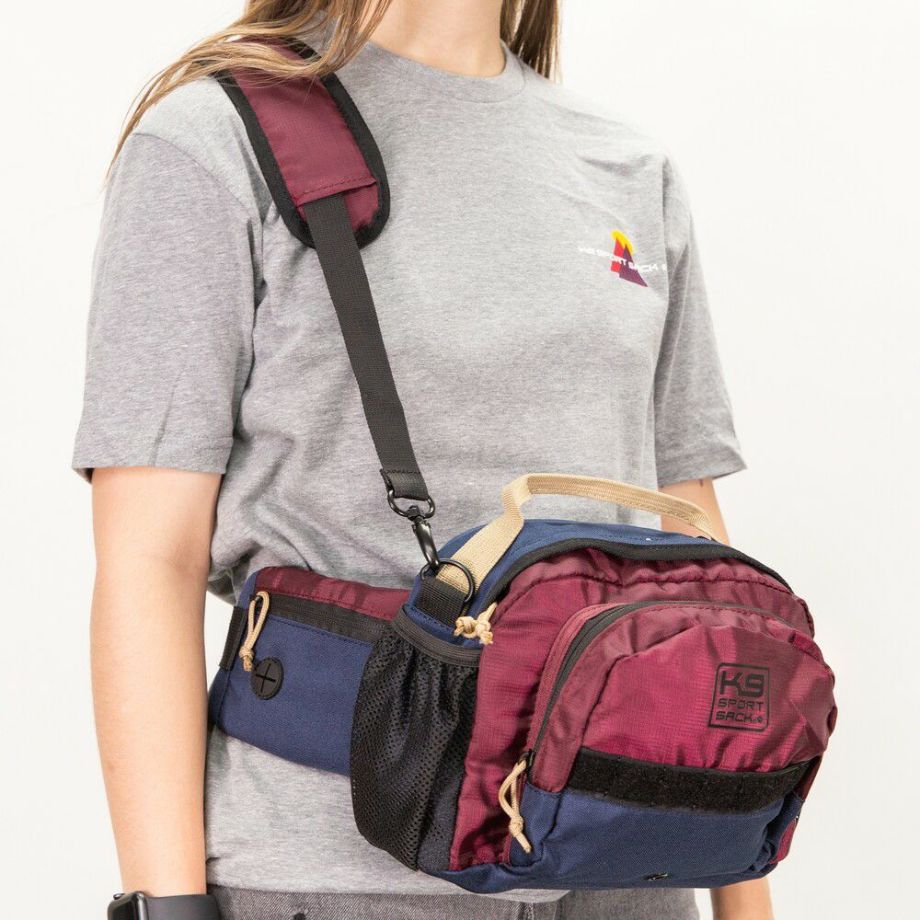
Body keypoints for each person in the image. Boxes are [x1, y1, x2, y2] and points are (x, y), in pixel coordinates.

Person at [75, 2, 774, 918]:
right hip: (337, 875)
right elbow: (149, 562)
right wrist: (167, 907)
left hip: (629, 864)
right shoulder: (219, 142)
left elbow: (698, 565)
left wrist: (742, 897)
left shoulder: (628, 169)